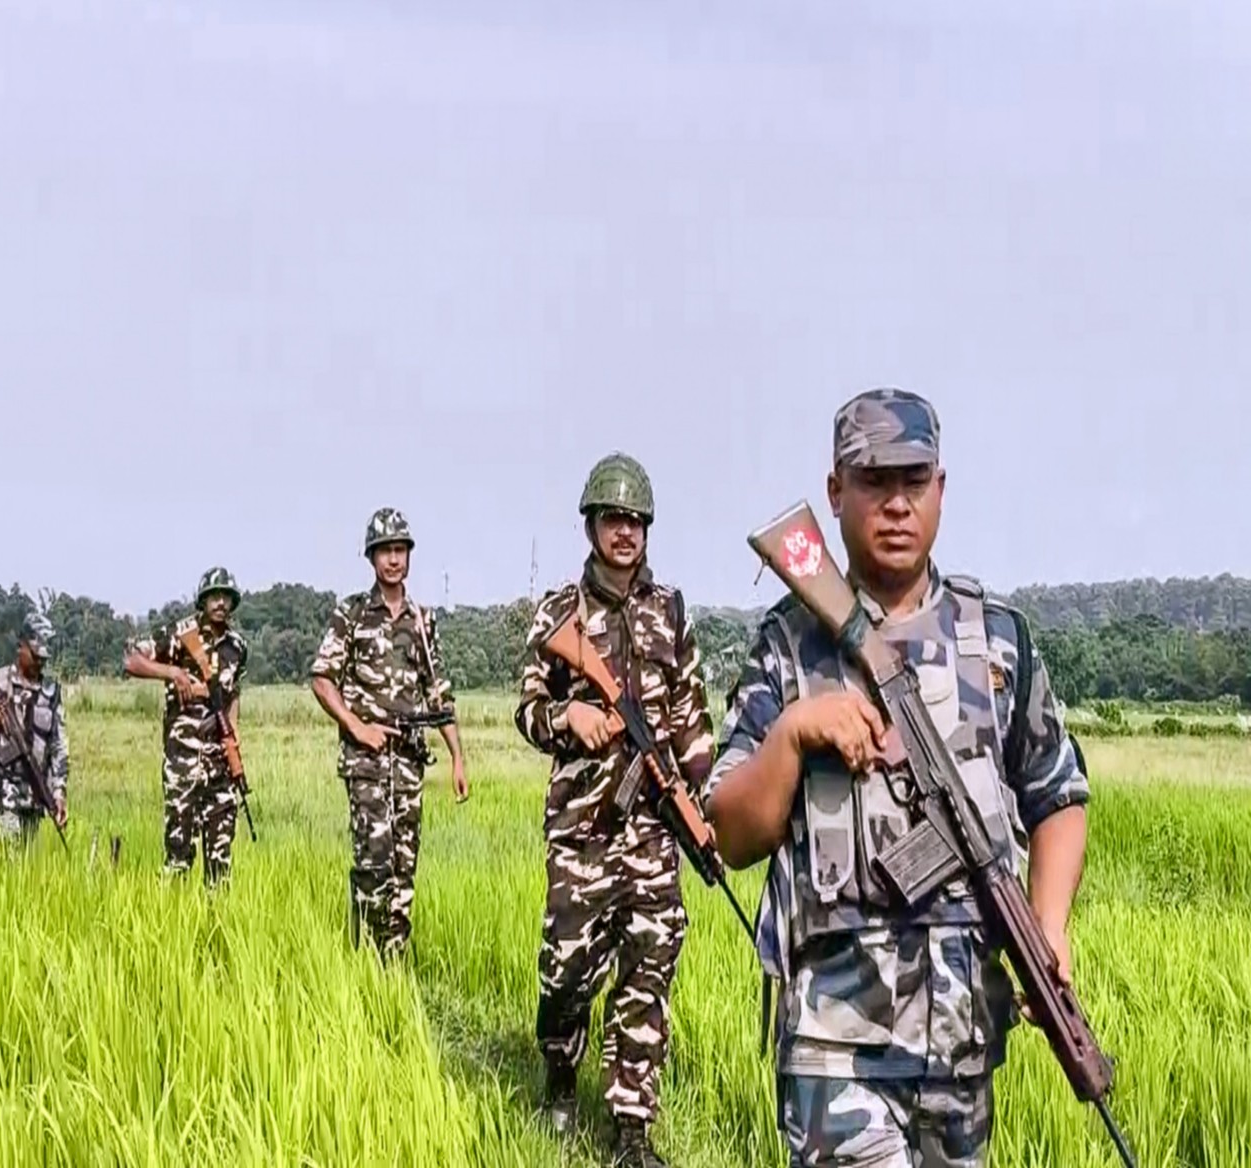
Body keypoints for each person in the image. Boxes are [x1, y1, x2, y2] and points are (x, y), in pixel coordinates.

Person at [704, 388, 1092, 1168]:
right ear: (835, 491)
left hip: (963, 1048)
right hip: (835, 1050)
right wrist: (793, 733)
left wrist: (1048, 924)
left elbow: (1058, 791)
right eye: (874, 481)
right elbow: (731, 832)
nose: (896, 504)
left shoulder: (997, 641)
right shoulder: (789, 647)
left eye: (914, 481)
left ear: (941, 489)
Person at [513, 452, 714, 1168]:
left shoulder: (670, 611)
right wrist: (567, 716)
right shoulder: (559, 613)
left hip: (654, 829)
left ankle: (631, 1129)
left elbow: (692, 718)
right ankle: (560, 1074)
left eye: (634, 520)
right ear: (591, 527)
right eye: (612, 519)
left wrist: (699, 800)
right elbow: (527, 711)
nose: (624, 531)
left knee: (649, 972)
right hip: (583, 831)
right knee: (567, 973)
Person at [310, 506, 469, 960]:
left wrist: (457, 757)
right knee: (374, 862)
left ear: (409, 555)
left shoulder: (422, 619)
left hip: (409, 760)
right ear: (371, 557)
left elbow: (438, 692)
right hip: (366, 762)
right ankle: (362, 959)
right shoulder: (353, 614)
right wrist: (357, 727)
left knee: (404, 866)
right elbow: (322, 679)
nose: (394, 559)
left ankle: (392, 964)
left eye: (400, 550)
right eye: (385, 551)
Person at [123, 567, 250, 886]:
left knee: (220, 860)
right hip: (184, 759)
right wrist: (172, 673)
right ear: (203, 600)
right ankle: (169, 912)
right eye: (214, 596)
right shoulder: (180, 634)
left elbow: (234, 694)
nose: (220, 603)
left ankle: (216, 914)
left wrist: (233, 742)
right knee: (178, 855)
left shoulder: (237, 647)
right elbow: (131, 660)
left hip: (219, 762)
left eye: (226, 597)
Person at [0, 612, 70, 842]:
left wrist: (58, 794)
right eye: (36, 656)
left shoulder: (51, 694)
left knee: (25, 861)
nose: (40, 663)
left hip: (32, 800)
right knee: (9, 855)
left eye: (44, 659)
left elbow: (58, 747)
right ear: (21, 647)